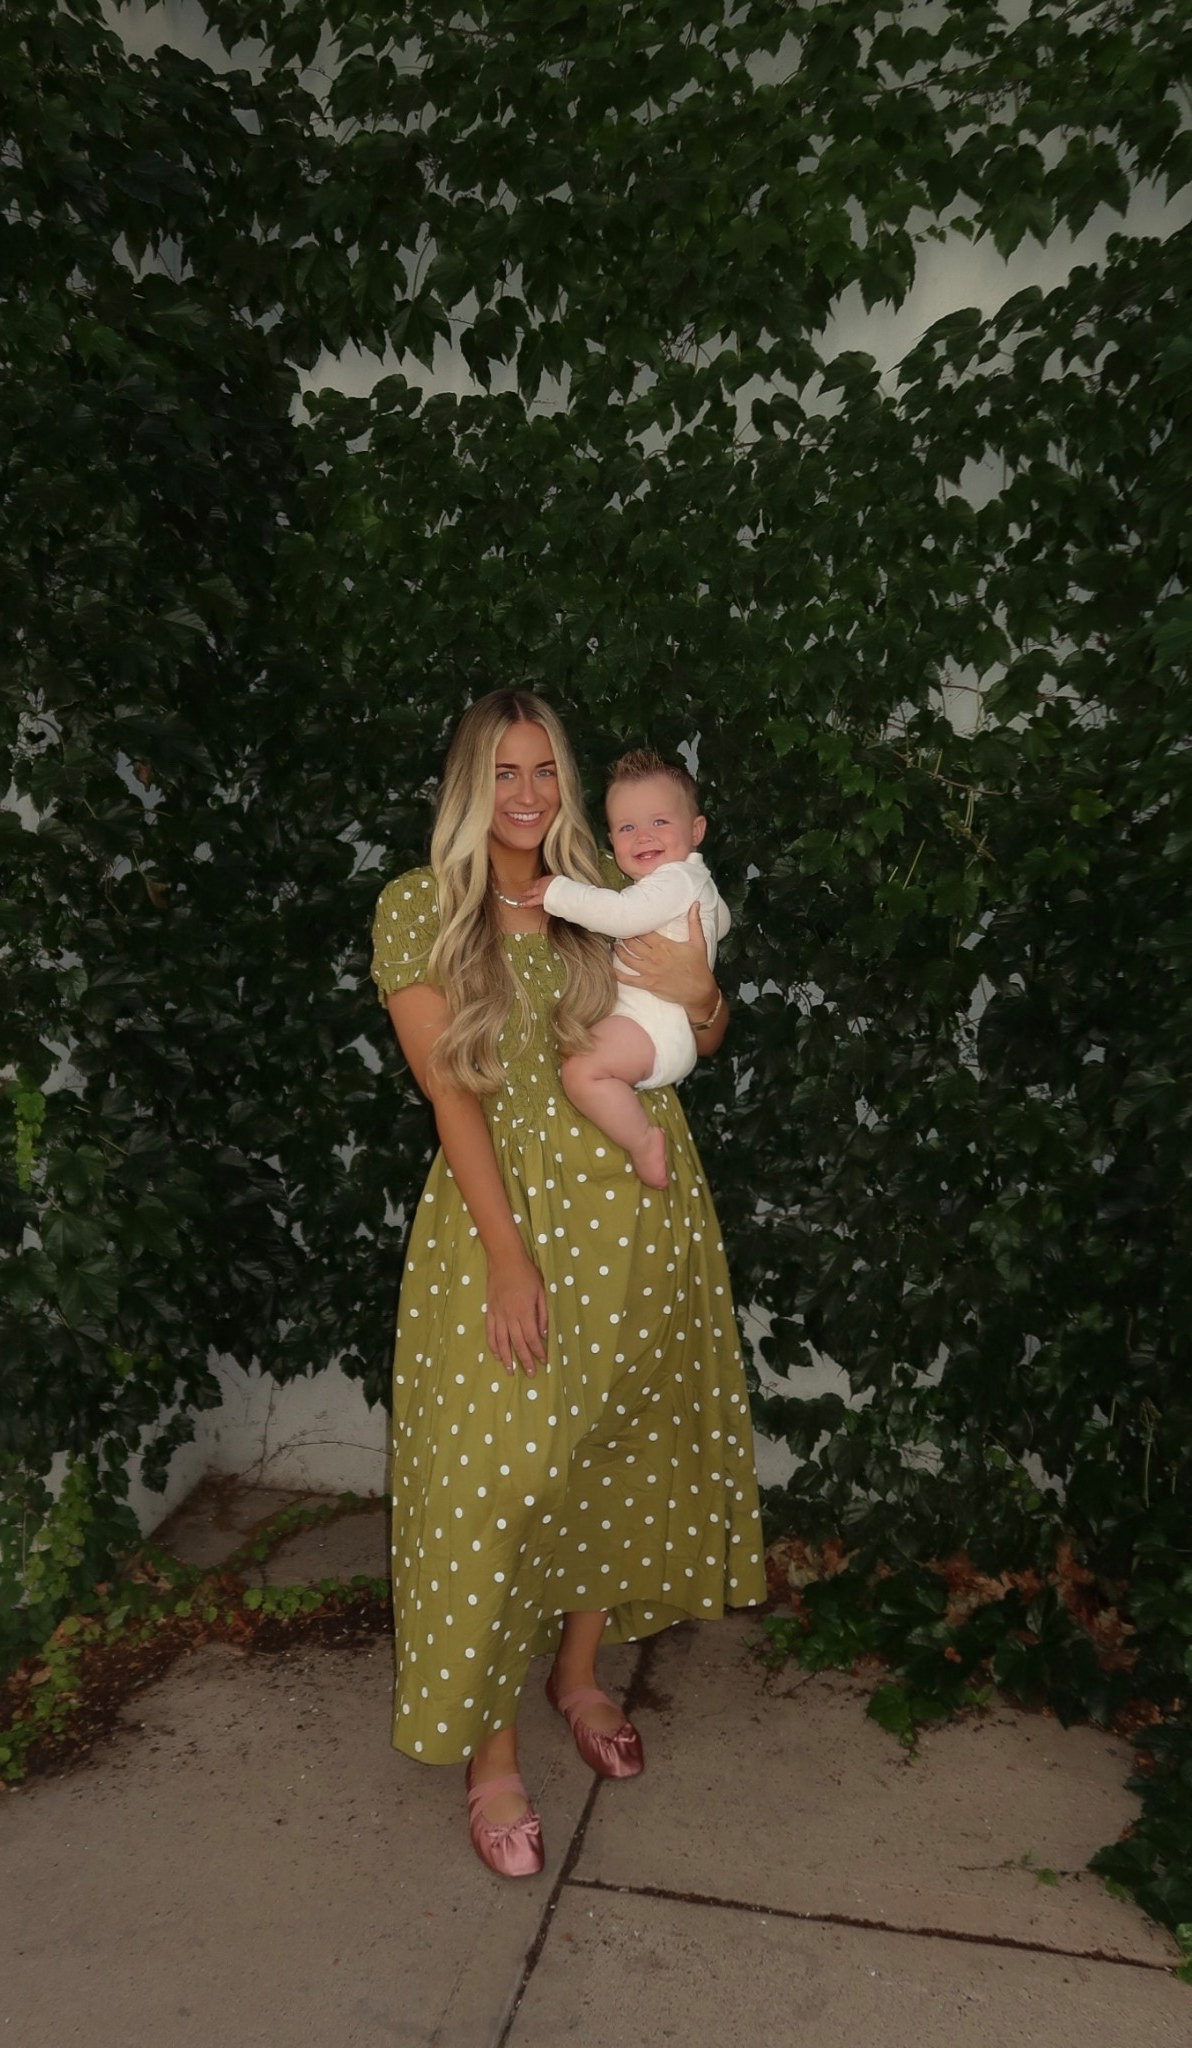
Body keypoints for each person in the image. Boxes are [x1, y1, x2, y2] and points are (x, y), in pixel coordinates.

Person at [370, 689, 765, 1879]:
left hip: (638, 1206)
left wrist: (700, 991)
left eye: (544, 769)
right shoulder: (420, 906)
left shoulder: (607, 885)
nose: (528, 793)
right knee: (502, 1480)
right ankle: (490, 1752)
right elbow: (448, 1091)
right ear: (468, 784)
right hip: (503, 1214)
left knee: (609, 1447)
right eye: (504, 772)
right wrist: (505, 1256)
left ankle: (577, 1674)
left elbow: (702, 1025)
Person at [519, 748, 731, 1191]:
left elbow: (621, 914)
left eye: (659, 822)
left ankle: (642, 1141)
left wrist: (557, 893)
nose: (643, 837)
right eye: (627, 828)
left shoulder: (674, 880)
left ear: (696, 830)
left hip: (652, 1028)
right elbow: (720, 921)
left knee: (583, 1071)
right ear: (611, 839)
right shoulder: (692, 884)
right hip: (654, 1026)